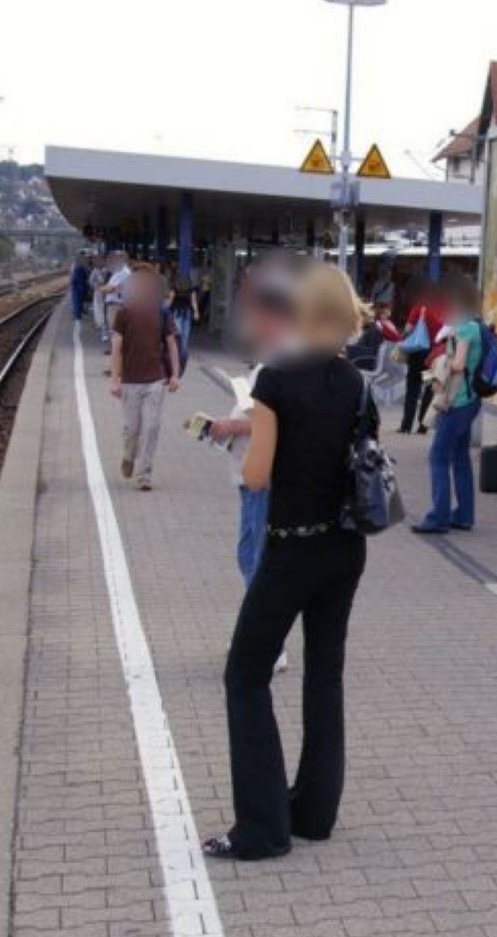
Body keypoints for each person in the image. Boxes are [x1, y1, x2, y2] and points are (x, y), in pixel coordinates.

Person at [202, 263, 370, 861]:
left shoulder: (275, 380)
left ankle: (263, 829)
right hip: (344, 548)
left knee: (245, 675)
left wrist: (245, 435)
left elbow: (257, 476)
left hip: (292, 546)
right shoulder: (355, 381)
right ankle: (314, 813)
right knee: (324, 675)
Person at [205, 257, 304, 675]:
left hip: (265, 477)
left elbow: (283, 419)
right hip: (256, 474)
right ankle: (260, 636)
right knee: (252, 555)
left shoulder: (286, 358)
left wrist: (231, 425)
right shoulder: (279, 356)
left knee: (258, 560)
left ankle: (268, 643)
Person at [411, 276, 483, 534]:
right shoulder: (476, 325)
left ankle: (438, 517)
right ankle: (464, 515)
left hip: (457, 400)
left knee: (438, 456)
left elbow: (459, 364)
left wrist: (440, 362)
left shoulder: (464, 328)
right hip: (470, 399)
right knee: (460, 458)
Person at [109, 269, 181, 491]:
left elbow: (172, 344)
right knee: (132, 428)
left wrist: (175, 374)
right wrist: (115, 379)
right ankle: (129, 455)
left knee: (151, 427)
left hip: (155, 380)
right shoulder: (123, 314)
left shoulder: (162, 314)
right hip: (130, 380)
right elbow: (116, 348)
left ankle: (144, 475)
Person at [397, 285, 443, 435]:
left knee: (413, 388)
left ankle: (406, 425)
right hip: (433, 356)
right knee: (429, 389)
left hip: (417, 354)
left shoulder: (420, 308)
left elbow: (408, 329)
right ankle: (423, 426)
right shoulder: (443, 310)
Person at [168, 265, 200, 372]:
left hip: (176, 312)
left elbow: (170, 300)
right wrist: (196, 312)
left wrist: (164, 311)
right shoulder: (190, 287)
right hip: (187, 313)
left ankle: (176, 356)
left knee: (177, 334)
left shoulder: (174, 286)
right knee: (185, 336)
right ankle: (183, 355)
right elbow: (193, 301)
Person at [98, 252, 132, 352]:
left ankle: (115, 350)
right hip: (116, 303)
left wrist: (100, 289)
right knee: (114, 328)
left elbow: (110, 288)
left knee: (115, 328)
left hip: (116, 304)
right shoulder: (119, 271)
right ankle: (115, 349)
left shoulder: (123, 272)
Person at [68, 253, 89, 330]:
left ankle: (77, 315)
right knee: (77, 301)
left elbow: (73, 277)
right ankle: (77, 316)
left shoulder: (76, 266)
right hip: (78, 287)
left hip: (77, 286)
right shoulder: (79, 267)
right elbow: (81, 277)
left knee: (77, 301)